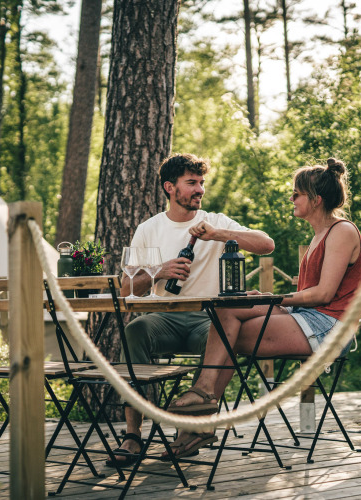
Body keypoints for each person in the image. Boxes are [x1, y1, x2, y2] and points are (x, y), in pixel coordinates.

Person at [164, 157, 361, 458]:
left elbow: (323, 295)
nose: (291, 198)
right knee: (226, 309)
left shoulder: (342, 231)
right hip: (307, 317)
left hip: (330, 326)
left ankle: (202, 413)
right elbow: (310, 295)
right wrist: (266, 297)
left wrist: (273, 300)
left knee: (233, 334)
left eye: (297, 194)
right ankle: (203, 401)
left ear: (316, 200)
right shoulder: (319, 235)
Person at [107, 153, 275, 466]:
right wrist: (159, 271)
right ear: (170, 188)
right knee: (135, 330)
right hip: (163, 318)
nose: (200, 189)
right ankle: (132, 434)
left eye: (201, 183)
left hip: (208, 321)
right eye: (191, 183)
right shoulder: (149, 229)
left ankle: (190, 430)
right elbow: (126, 288)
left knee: (225, 336)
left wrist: (218, 234)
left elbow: (267, 244)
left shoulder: (216, 222)